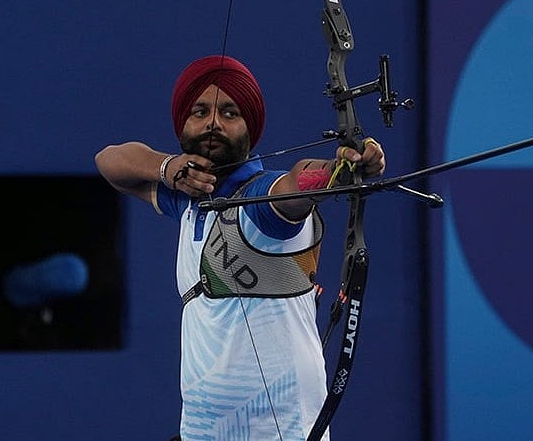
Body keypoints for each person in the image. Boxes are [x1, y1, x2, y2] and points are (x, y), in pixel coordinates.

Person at [94, 54, 385, 440]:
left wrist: (341, 168)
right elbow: (109, 161)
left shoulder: (261, 202)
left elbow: (296, 186)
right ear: (182, 123)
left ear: (251, 129)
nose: (213, 122)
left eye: (230, 113)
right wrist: (170, 168)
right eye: (199, 111)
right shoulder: (187, 200)